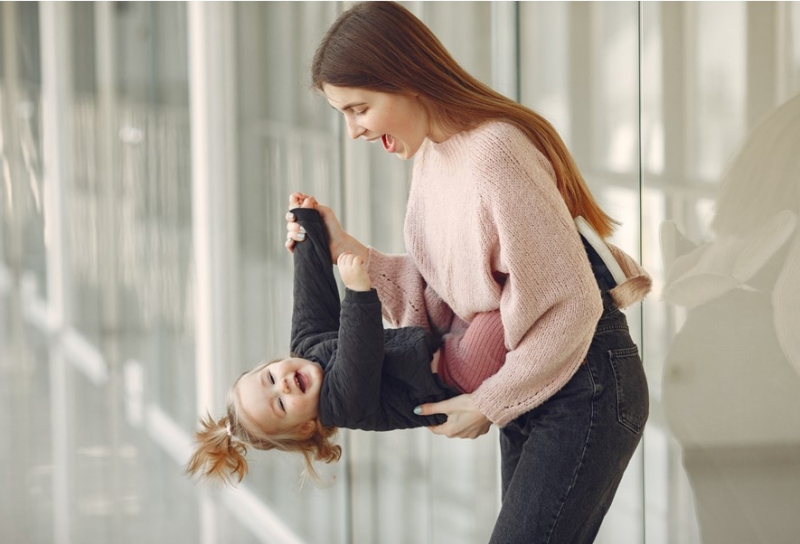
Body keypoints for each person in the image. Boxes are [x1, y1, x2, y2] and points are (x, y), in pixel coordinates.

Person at [284, 2, 652, 542]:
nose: (353, 131)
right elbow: (450, 297)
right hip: (535, 376)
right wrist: (339, 246)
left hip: (584, 382)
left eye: (359, 109)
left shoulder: (495, 152)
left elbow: (573, 303)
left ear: (403, 78)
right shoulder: (437, 158)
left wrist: (489, 402)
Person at [186, 203, 507, 486]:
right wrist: (357, 292)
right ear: (305, 427)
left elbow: (311, 299)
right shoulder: (341, 407)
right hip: (458, 375)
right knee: (503, 311)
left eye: (270, 378)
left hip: (443, 336)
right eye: (280, 404)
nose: (282, 385)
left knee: (467, 273)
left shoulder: (307, 352)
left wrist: (306, 227)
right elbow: (359, 355)